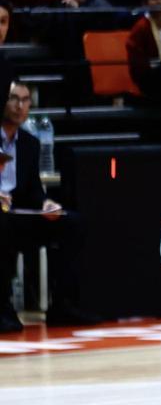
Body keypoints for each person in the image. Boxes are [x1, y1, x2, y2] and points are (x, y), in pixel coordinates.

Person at [0, 80, 91, 332]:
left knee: (73, 223)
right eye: (13, 99)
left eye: (25, 100)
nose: (20, 106)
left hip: (19, 214)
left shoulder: (29, 143)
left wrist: (46, 203)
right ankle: (3, 306)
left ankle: (62, 304)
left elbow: (33, 191)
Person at [126, 0, 161, 101]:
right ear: (145, 3)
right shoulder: (140, 28)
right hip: (149, 78)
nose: (159, 2)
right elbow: (137, 65)